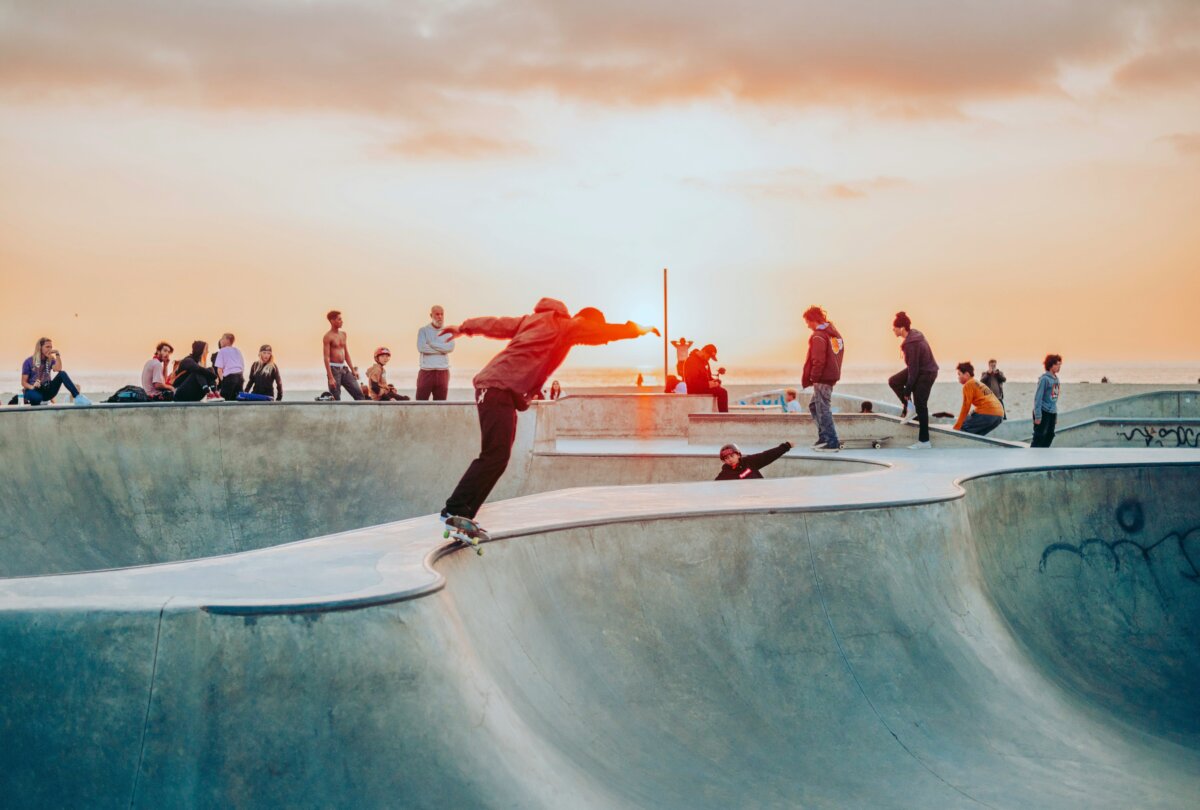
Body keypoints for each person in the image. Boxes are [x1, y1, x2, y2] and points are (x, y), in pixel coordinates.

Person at [439, 298, 658, 522]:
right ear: (584, 320)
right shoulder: (566, 326)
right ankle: (455, 508)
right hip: (498, 388)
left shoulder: (530, 321)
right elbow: (603, 331)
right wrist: (638, 329)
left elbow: (496, 324)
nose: (586, 340)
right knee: (495, 455)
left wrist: (463, 328)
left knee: (498, 457)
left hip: (495, 388)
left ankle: (463, 514)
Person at [887, 311, 938, 449]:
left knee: (921, 404)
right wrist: (907, 394)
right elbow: (913, 368)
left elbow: (913, 369)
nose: (893, 330)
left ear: (902, 328)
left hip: (927, 373)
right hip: (919, 370)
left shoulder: (911, 343)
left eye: (895, 327)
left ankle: (924, 441)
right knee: (894, 381)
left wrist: (907, 391)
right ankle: (910, 408)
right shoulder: (912, 336)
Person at [801, 306, 845, 451]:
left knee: (823, 408)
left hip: (822, 378)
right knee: (814, 406)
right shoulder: (833, 333)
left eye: (807, 322)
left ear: (813, 320)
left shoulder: (819, 335)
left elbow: (818, 360)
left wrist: (814, 377)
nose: (807, 325)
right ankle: (823, 436)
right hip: (830, 376)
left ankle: (831, 442)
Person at [20, 337, 91, 406]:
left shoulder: (50, 359)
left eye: (51, 347)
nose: (50, 349)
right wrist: (32, 387)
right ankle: (38, 401)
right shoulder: (28, 361)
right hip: (33, 389)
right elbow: (23, 382)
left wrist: (57, 354)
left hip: (47, 390)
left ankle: (78, 397)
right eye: (47, 347)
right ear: (40, 348)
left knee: (62, 373)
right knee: (36, 397)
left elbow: (58, 369)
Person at [953, 362, 1004, 436]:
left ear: (967, 374)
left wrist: (956, 427)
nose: (958, 377)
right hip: (999, 415)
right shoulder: (978, 383)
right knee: (976, 434)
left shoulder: (968, 384)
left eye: (959, 374)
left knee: (963, 428)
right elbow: (984, 401)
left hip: (988, 413)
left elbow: (965, 407)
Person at [416, 305, 454, 401]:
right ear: (431, 315)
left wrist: (431, 344)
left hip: (443, 372)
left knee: (441, 404)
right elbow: (422, 348)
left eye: (442, 314)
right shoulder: (423, 331)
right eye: (437, 314)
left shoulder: (448, 331)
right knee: (420, 402)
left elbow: (450, 348)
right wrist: (442, 349)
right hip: (426, 372)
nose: (440, 317)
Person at [323, 310, 363, 400]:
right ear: (332, 321)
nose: (342, 321)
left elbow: (346, 353)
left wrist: (353, 370)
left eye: (341, 319)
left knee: (359, 394)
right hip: (334, 370)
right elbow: (326, 357)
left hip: (344, 369)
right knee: (336, 399)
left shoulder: (343, 334)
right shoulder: (328, 336)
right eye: (339, 319)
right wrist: (330, 377)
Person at [684, 343, 729, 413]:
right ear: (704, 351)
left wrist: (715, 381)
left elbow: (708, 377)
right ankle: (724, 417)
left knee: (721, 389)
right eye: (709, 357)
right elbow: (692, 382)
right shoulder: (691, 361)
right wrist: (708, 384)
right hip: (694, 389)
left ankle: (723, 415)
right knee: (722, 392)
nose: (709, 359)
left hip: (704, 387)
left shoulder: (705, 362)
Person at [714, 441, 793, 480]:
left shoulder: (749, 462)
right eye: (726, 458)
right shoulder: (725, 474)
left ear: (738, 455)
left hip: (759, 492)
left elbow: (767, 456)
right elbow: (715, 487)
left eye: (732, 456)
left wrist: (785, 447)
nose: (730, 459)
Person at [1031, 354, 1063, 448]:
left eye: (1060, 364)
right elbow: (1038, 398)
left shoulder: (1056, 379)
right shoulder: (1044, 379)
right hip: (1043, 411)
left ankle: (1043, 455)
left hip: (1052, 412)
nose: (1059, 367)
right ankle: (1034, 456)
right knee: (1039, 436)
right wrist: (1038, 416)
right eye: (1057, 364)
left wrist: (1055, 414)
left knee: (1050, 435)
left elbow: (1054, 399)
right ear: (1051, 365)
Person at [213, 333, 245, 401]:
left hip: (229, 378)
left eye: (222, 338)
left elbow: (219, 369)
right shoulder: (237, 350)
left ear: (227, 340)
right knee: (238, 399)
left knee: (224, 399)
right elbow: (242, 365)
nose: (220, 340)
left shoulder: (222, 351)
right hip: (240, 377)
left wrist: (223, 381)